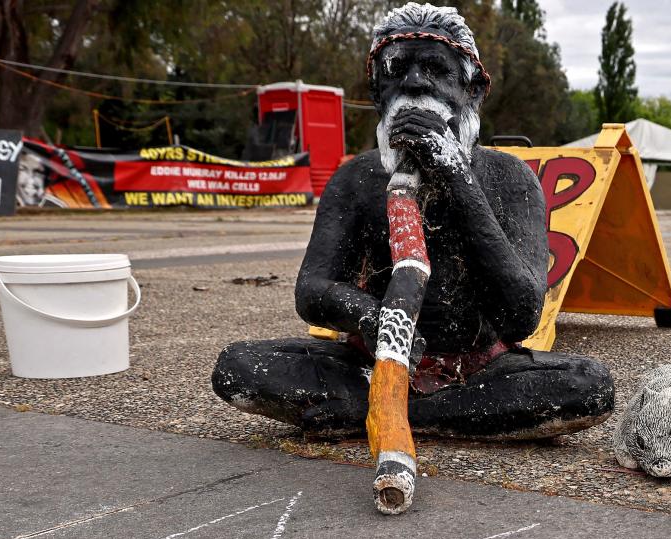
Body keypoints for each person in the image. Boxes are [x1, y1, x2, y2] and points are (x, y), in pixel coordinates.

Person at [212, 3, 614, 439]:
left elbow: (521, 316)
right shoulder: (356, 178)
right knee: (236, 369)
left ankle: (398, 414)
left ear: (473, 89)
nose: (415, 83)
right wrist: (378, 319)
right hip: (371, 361)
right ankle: (450, 416)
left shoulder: (510, 178)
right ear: (377, 90)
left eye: (436, 70)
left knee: (588, 386)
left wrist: (455, 176)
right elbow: (312, 292)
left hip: (478, 368)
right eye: (397, 70)